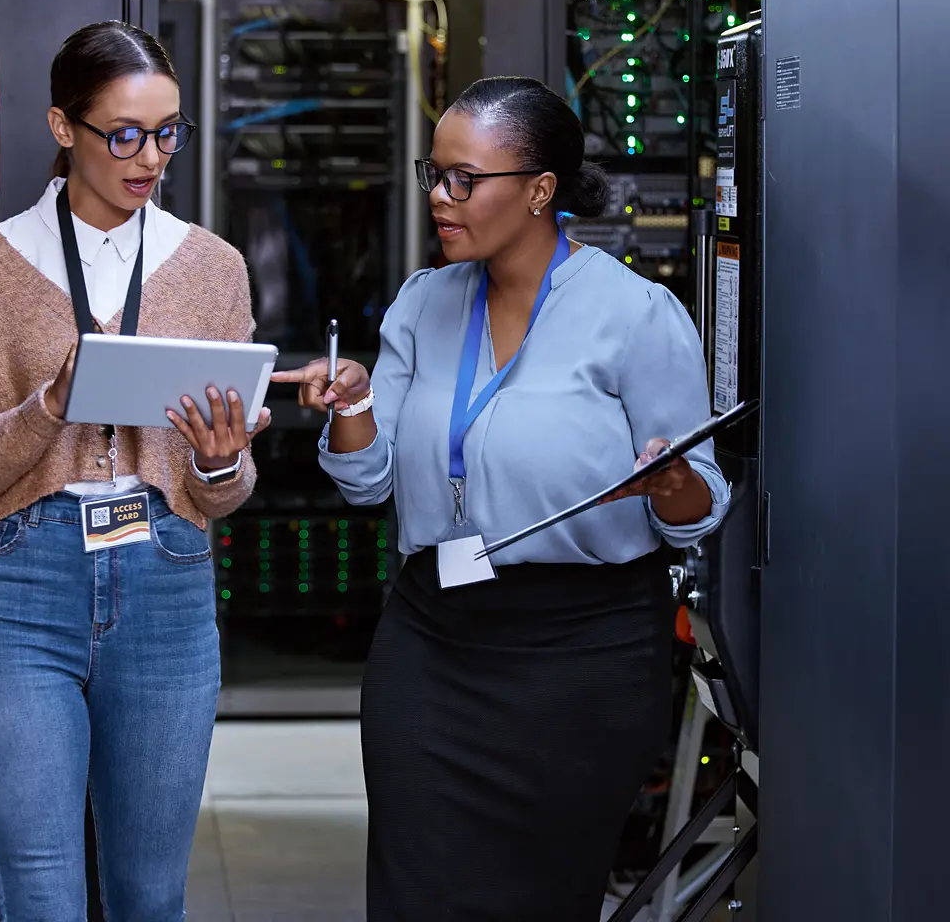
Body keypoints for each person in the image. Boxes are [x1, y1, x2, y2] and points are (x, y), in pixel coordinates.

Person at [272, 76, 731, 921]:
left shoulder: (634, 315)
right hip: (431, 641)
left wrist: (671, 482)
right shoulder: (421, 304)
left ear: (539, 190)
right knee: (416, 896)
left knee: (543, 900)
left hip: (580, 655)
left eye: (464, 179)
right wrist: (355, 408)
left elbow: (700, 509)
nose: (442, 199)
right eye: (434, 174)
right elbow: (368, 481)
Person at [0, 21, 268, 922]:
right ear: (62, 127)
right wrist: (50, 405)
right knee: (39, 892)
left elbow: (223, 495)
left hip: (167, 586)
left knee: (150, 896)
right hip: (16, 594)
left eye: (168, 132)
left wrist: (220, 462)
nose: (150, 156)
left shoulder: (213, 268)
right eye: (124, 133)